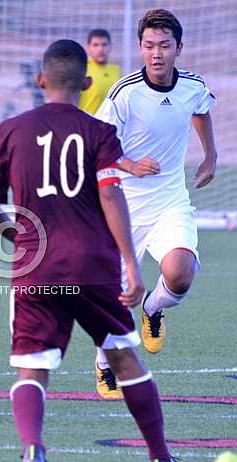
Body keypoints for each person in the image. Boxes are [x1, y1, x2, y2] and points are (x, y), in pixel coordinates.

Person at [0, 39, 189, 462]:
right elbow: (110, 194)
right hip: (93, 267)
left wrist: (16, 235)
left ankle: (33, 449)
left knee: (32, 368)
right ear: (86, 82)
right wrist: (131, 263)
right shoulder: (98, 132)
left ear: (40, 81)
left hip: (37, 269)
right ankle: (161, 460)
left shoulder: (13, 130)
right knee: (125, 360)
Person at [93, 8, 218, 400]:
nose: (156, 53)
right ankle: (104, 365)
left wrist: (210, 155)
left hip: (169, 201)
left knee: (180, 273)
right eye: (149, 46)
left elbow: (201, 111)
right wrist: (129, 164)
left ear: (179, 48)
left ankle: (153, 308)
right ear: (140, 48)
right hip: (122, 205)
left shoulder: (192, 86)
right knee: (115, 297)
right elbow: (98, 144)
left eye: (164, 45)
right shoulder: (124, 94)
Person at [78, 28, 121, 115]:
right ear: (88, 47)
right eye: (95, 45)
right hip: (87, 125)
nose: (100, 49)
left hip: (109, 125)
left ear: (110, 46)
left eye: (104, 45)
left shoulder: (116, 71)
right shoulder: (81, 69)